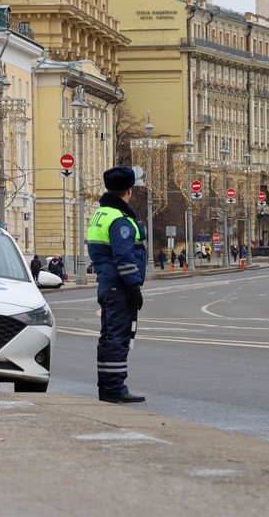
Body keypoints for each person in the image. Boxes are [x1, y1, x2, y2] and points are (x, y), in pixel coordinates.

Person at [87, 166, 147, 404]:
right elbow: (124, 258)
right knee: (118, 337)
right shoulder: (120, 220)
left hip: (106, 283)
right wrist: (134, 288)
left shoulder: (100, 214)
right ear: (129, 190)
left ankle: (106, 385)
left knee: (108, 336)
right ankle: (115, 387)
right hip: (119, 287)